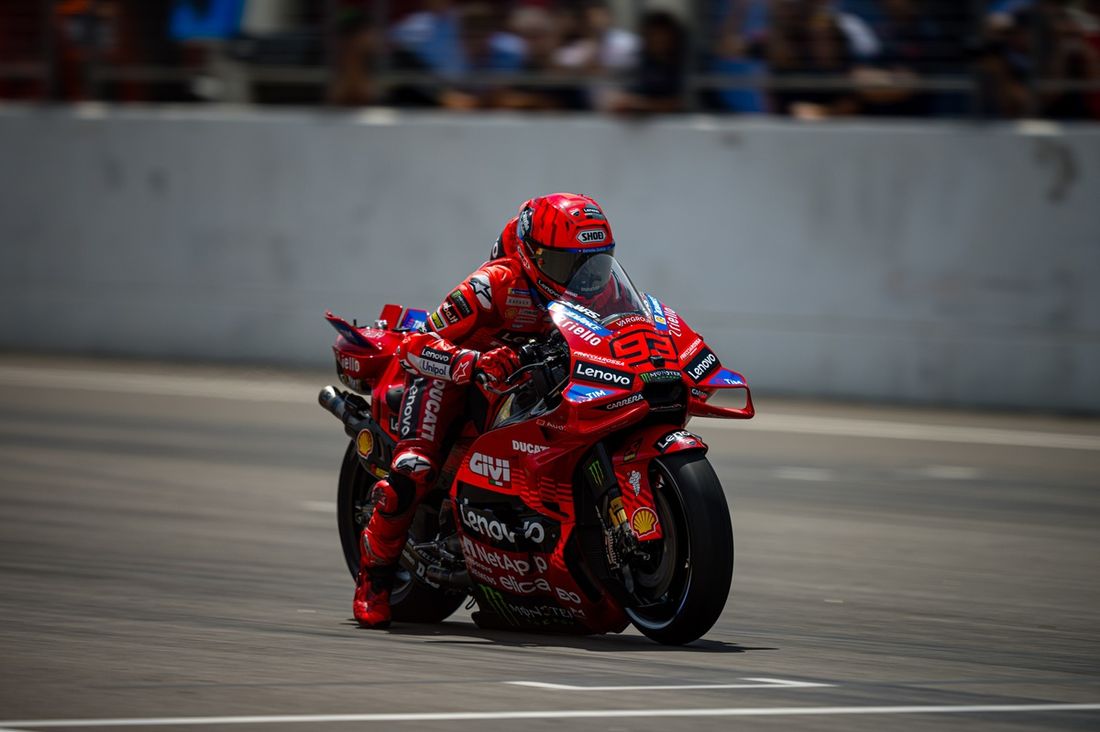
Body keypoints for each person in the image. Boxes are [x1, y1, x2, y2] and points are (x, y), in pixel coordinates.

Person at [353, 193, 617, 628]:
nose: (581, 278)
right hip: (449, 378)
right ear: (532, 255)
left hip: (524, 383)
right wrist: (471, 363)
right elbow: (416, 345)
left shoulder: (601, 290)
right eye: (565, 264)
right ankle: (373, 580)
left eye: (592, 264)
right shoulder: (494, 284)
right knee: (414, 469)